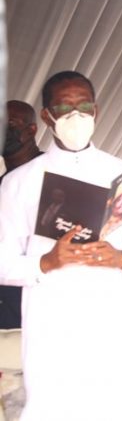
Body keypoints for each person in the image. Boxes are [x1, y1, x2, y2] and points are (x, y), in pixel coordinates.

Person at [0, 70, 122, 420]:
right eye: (64, 107)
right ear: (47, 116)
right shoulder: (18, 183)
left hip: (112, 325)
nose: (76, 116)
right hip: (51, 328)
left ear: (96, 111)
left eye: (84, 106)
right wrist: (45, 262)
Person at [0, 100, 44, 329]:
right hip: (8, 304)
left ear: (31, 130)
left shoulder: (54, 173)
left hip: (45, 301)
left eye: (10, 123)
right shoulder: (3, 185)